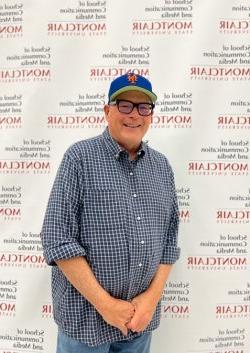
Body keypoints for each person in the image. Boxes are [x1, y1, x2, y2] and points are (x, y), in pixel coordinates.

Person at [41, 72, 180, 353]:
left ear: (151, 114)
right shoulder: (79, 158)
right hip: (85, 324)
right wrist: (107, 306)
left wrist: (150, 301)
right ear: (107, 110)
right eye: (124, 105)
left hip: (140, 323)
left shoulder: (162, 168)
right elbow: (57, 239)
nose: (134, 115)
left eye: (143, 107)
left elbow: (169, 242)